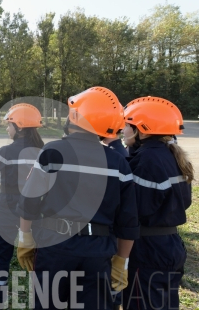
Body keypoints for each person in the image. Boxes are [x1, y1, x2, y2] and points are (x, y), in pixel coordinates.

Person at [16, 87, 139, 309]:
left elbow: (30, 200)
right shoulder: (119, 163)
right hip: (98, 253)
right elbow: (128, 220)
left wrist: (25, 237)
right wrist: (122, 261)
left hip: (55, 247)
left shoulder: (52, 152)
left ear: (75, 117)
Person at [121, 97, 193, 310]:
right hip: (169, 246)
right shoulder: (170, 155)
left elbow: (134, 210)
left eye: (126, 125)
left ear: (141, 130)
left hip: (147, 251)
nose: (122, 130)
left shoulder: (147, 160)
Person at [0, 103, 44, 309]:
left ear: (20, 127)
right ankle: (41, 299)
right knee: (36, 257)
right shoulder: (42, 151)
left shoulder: (6, 151)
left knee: (0, 257)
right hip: (35, 210)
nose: (7, 128)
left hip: (7, 209)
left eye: (10, 124)